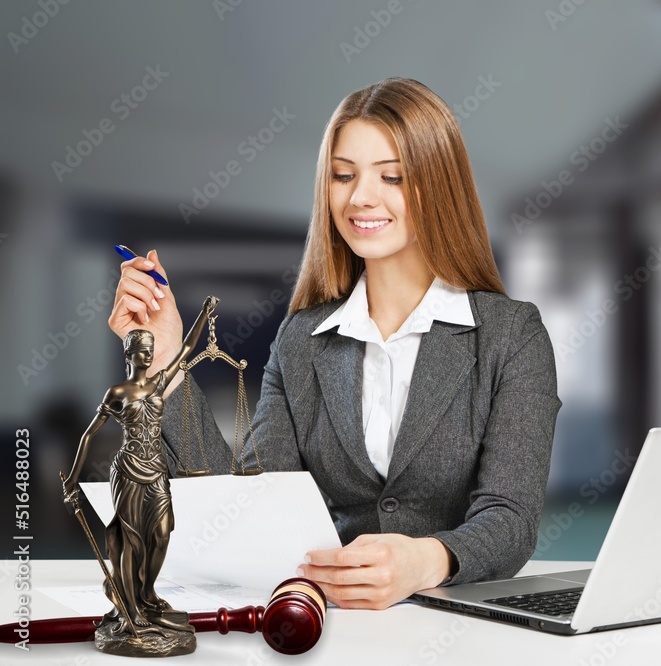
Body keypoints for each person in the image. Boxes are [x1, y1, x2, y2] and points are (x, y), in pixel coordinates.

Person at [107, 77, 562, 610]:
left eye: (392, 176)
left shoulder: (512, 335)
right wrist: (166, 356)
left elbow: (511, 520)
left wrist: (423, 561)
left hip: (465, 631)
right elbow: (253, 500)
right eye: (343, 176)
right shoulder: (302, 339)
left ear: (439, 184)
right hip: (332, 626)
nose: (360, 198)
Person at [64, 296, 219, 633]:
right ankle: (131, 608)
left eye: (150, 348)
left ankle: (147, 595)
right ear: (129, 354)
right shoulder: (117, 392)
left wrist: (204, 313)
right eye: (141, 348)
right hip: (129, 470)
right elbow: (89, 435)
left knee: (162, 533)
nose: (147, 354)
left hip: (157, 469)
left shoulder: (160, 382)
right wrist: (72, 479)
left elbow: (186, 350)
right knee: (132, 540)